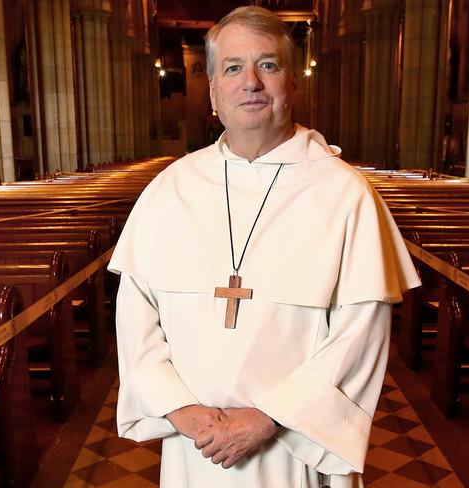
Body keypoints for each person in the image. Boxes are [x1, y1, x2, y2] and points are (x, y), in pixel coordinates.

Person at [108, 6, 420, 487]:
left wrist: (270, 418)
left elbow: (361, 336)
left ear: (293, 84)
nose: (250, 82)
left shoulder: (346, 195)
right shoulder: (171, 189)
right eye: (232, 68)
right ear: (213, 91)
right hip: (194, 447)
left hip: (295, 448)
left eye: (268, 65)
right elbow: (135, 316)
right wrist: (181, 409)